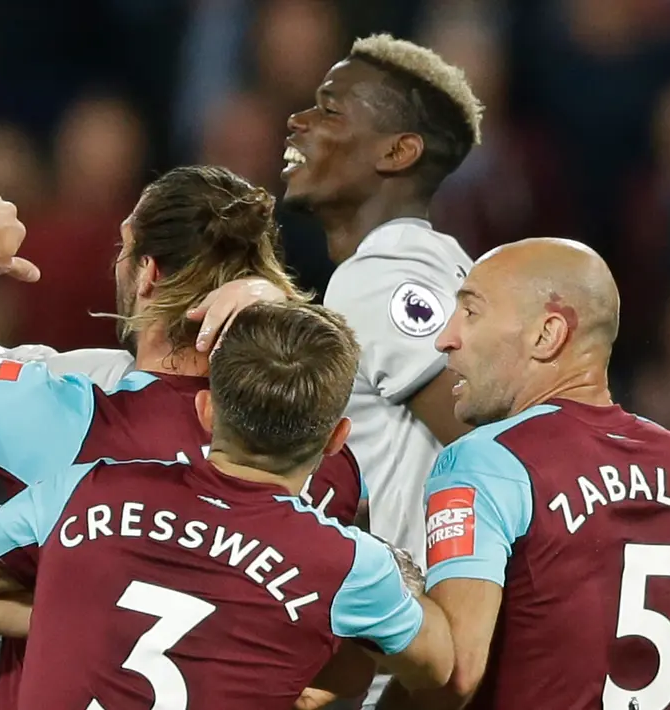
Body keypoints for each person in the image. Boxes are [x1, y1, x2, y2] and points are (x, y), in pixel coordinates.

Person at [0, 165, 365, 708]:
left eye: (124, 247)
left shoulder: (65, 410)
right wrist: (273, 305)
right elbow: (355, 649)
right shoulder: (330, 458)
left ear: (149, 272)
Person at [0, 302, 454, 708]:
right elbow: (440, 669)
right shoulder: (349, 567)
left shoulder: (81, 491)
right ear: (337, 438)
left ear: (207, 410)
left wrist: (81, 620)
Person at [378, 238, 670, 709]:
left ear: (547, 335)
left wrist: (382, 600)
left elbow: (453, 677)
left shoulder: (485, 460)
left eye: (471, 312)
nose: (445, 338)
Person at [281, 36, 482, 705]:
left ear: (396, 152)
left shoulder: (381, 276)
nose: (297, 122)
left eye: (329, 110)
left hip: (420, 654)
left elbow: (490, 437)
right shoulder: (441, 264)